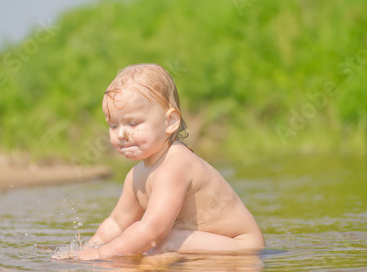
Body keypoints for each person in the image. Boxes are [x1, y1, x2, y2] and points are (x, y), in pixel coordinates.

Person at [52, 64, 264, 261]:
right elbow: (116, 223)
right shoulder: (135, 176)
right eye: (113, 126)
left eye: (133, 123)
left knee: (161, 242)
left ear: (170, 122)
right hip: (203, 244)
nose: (122, 134)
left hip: (243, 247)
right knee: (148, 249)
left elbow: (153, 230)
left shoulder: (175, 165)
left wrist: (101, 255)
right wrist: (85, 250)